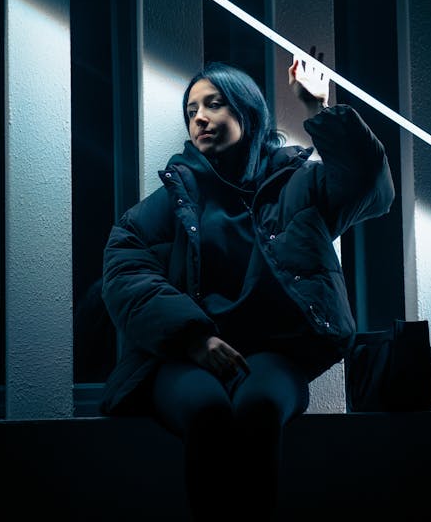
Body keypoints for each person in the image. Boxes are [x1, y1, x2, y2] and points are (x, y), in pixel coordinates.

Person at [100, 50, 395, 521]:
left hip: (272, 356)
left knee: (258, 408)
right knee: (207, 411)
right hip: (185, 356)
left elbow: (368, 185)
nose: (200, 117)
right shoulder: (168, 202)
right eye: (192, 110)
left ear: (247, 112)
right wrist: (195, 338)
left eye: (213, 104)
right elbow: (125, 271)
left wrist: (319, 110)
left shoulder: (298, 186)